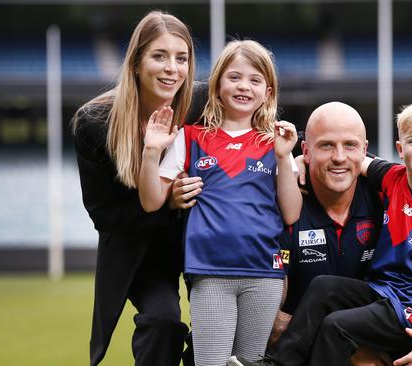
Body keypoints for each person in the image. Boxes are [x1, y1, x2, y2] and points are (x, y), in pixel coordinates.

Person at [228, 101, 412, 366]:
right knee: (324, 288)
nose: (340, 156)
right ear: (400, 149)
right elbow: (270, 316)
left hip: (411, 319)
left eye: (349, 145)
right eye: (326, 145)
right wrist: (295, 163)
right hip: (385, 295)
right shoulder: (390, 178)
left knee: (335, 325)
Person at [138, 39, 302, 366]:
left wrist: (284, 159)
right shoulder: (191, 137)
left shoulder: (277, 142)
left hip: (263, 275)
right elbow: (151, 201)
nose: (244, 86)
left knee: (250, 363)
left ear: (267, 92)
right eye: (235, 77)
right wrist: (152, 151)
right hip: (211, 272)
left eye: (255, 80)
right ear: (217, 85)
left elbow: (291, 212)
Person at [71, 10, 195, 366]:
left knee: (224, 325)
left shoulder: (200, 106)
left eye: (181, 58)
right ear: (136, 63)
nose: (172, 68)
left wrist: (296, 158)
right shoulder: (95, 124)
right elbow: (104, 215)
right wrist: (167, 203)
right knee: (163, 322)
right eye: (159, 56)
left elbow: (254, 127)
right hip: (144, 251)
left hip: (205, 241)